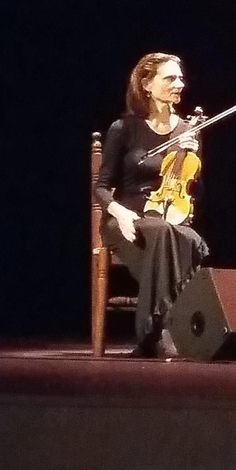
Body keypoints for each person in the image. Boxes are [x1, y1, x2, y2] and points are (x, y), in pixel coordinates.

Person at [94, 52, 209, 357]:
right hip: (126, 220)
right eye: (170, 78)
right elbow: (101, 187)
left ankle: (153, 331)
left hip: (170, 217)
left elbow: (194, 189)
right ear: (146, 84)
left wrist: (191, 159)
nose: (180, 84)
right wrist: (119, 213)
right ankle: (169, 330)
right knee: (168, 234)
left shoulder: (187, 130)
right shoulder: (124, 128)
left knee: (184, 235)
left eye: (181, 77)